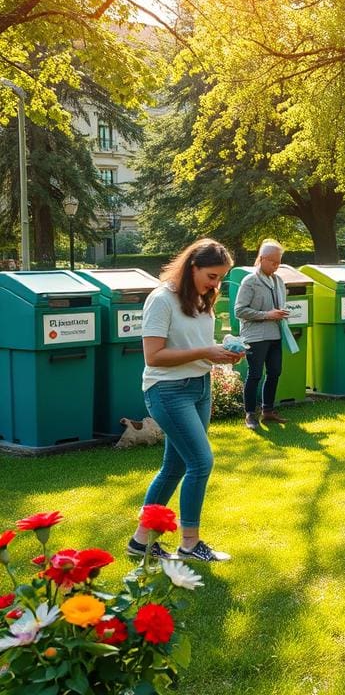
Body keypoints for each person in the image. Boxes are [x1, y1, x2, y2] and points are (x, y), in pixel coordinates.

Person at [127, 238, 244, 563]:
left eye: (220, 278)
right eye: (212, 276)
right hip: (167, 391)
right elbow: (154, 356)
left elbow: (195, 344)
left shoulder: (203, 299)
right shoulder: (161, 299)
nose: (216, 284)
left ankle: (140, 542)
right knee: (201, 462)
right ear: (193, 267)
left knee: (174, 466)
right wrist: (206, 352)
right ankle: (190, 543)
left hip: (199, 388)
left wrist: (221, 353)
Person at [233, 239, 290, 430]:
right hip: (255, 337)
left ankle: (268, 411)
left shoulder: (278, 281)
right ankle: (250, 414)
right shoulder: (250, 281)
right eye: (273, 262)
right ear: (262, 259)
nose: (276, 266)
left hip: (276, 334)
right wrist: (267, 315)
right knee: (255, 375)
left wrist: (282, 312)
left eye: (278, 262)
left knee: (275, 372)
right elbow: (239, 311)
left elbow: (281, 303)